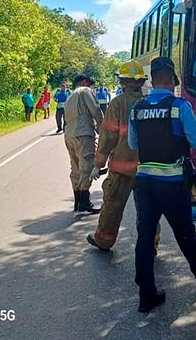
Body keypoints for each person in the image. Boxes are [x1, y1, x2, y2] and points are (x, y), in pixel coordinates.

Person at [128, 56, 196, 313]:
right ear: (171, 80)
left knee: (145, 236)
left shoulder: (136, 108)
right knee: (184, 231)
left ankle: (146, 294)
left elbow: (134, 145)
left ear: (152, 80)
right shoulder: (180, 107)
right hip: (173, 183)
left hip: (144, 183)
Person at [87, 61, 157, 251]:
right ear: (141, 82)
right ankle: (151, 244)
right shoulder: (151, 103)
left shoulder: (117, 103)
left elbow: (108, 136)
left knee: (112, 205)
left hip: (121, 168)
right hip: (147, 168)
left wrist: (97, 164)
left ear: (123, 82)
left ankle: (104, 240)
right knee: (148, 209)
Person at [63, 74, 103, 214]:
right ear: (85, 82)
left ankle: (78, 202)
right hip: (83, 133)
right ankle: (85, 202)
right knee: (86, 166)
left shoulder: (69, 97)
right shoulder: (85, 91)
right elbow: (96, 109)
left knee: (75, 168)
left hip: (69, 135)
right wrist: (102, 126)